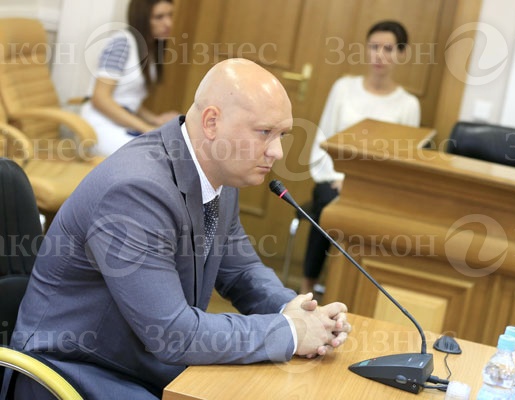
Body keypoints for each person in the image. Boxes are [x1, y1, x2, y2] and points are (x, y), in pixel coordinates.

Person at [2, 59, 351, 400]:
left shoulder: (219, 174)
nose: (277, 151)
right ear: (212, 122)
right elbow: (172, 333)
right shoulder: (135, 191)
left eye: (282, 135)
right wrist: (290, 331)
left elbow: (241, 272)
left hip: (147, 364)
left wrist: (296, 309)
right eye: (264, 132)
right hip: (76, 374)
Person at [302, 20, 421, 294]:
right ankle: (308, 287)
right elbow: (323, 140)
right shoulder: (343, 88)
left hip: (379, 191)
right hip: (333, 181)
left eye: (388, 49)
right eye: (374, 47)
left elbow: (404, 162)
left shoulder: (408, 105)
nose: (380, 55)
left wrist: (365, 184)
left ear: (401, 53)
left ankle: (355, 292)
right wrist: (338, 178)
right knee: (329, 206)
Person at [81, 0, 179, 156]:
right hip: (100, 124)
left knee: (169, 150)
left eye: (170, 15)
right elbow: (100, 98)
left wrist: (155, 119)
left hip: (120, 123)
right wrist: (146, 127)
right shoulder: (121, 44)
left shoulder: (150, 50)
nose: (168, 23)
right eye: (159, 17)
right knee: (154, 156)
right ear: (142, 18)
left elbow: (127, 99)